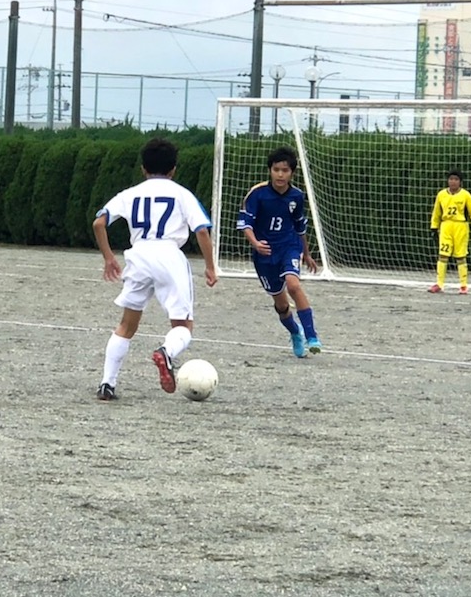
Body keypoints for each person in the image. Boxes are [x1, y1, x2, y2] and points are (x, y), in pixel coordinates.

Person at [92, 137, 218, 401]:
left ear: (143, 168)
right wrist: (210, 266)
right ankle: (166, 352)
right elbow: (201, 231)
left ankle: (107, 384)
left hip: (138, 255)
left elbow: (99, 223)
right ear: (173, 169)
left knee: (126, 324)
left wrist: (108, 257)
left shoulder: (130, 194)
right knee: (183, 325)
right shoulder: (182, 194)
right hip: (169, 256)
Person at [236, 146, 321, 356]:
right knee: (281, 305)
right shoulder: (258, 194)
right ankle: (295, 332)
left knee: (293, 285)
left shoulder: (297, 196)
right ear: (270, 170)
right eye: (276, 170)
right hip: (264, 254)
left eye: (285, 170)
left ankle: (312, 336)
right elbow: (246, 224)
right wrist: (255, 243)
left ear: (292, 172)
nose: (280, 175)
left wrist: (306, 253)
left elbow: (300, 227)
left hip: (288, 247)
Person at [429, 168, 471, 295]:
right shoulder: (441, 195)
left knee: (460, 256)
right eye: (451, 179)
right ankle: (439, 284)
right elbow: (436, 212)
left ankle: (463, 285)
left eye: (456, 179)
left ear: (460, 182)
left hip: (460, 227)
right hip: (446, 226)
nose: (453, 182)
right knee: (443, 254)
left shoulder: (465, 195)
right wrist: (434, 227)